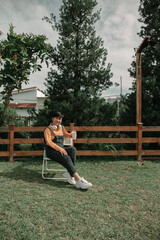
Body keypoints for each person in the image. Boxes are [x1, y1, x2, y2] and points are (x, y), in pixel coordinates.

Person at [44, 111, 92, 189]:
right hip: (51, 151)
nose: (58, 121)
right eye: (56, 118)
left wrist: (72, 134)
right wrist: (60, 149)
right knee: (66, 156)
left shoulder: (62, 128)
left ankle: (69, 173)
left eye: (60, 119)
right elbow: (49, 142)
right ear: (52, 118)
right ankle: (79, 180)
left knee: (73, 149)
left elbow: (67, 135)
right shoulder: (47, 130)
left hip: (60, 149)